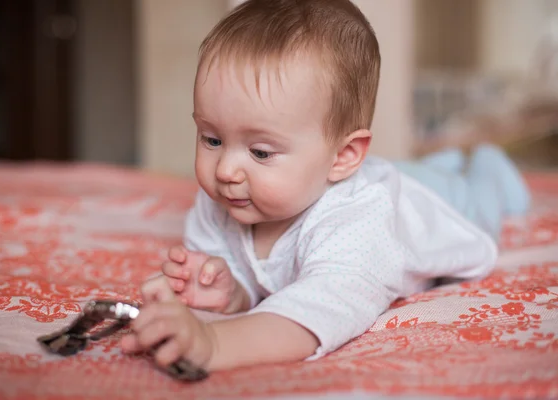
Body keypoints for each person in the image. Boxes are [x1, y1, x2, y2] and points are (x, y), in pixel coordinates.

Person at [120, 0, 530, 372]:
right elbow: (256, 277)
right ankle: (440, 162)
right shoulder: (225, 199)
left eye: (260, 152)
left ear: (343, 156)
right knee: (409, 171)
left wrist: (214, 341)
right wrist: (232, 295)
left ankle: (487, 162)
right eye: (212, 139)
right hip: (381, 176)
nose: (226, 168)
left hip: (442, 203)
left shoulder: (358, 226)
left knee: (478, 191)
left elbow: (319, 309)